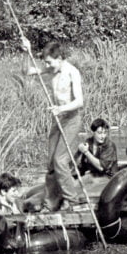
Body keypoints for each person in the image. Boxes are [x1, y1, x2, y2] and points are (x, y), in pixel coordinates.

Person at [21, 39, 84, 211]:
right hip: (58, 120)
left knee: (60, 161)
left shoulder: (72, 72)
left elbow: (79, 101)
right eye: (45, 62)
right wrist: (28, 51)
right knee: (51, 164)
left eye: (49, 62)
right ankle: (50, 203)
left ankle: (72, 201)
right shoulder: (50, 69)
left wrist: (60, 108)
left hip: (71, 119)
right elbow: (27, 71)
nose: (47, 65)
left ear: (60, 58)